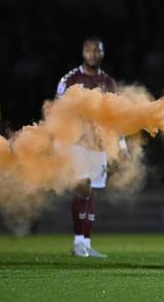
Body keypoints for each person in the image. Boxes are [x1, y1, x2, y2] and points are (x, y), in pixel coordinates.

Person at [56, 36, 129, 258]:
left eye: (97, 51)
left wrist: (122, 144)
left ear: (102, 53)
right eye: (89, 50)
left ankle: (86, 243)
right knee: (83, 186)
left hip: (99, 144)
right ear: (82, 52)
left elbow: (116, 116)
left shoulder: (108, 82)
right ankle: (77, 241)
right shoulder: (70, 79)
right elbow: (57, 111)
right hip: (77, 142)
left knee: (92, 193)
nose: (93, 54)